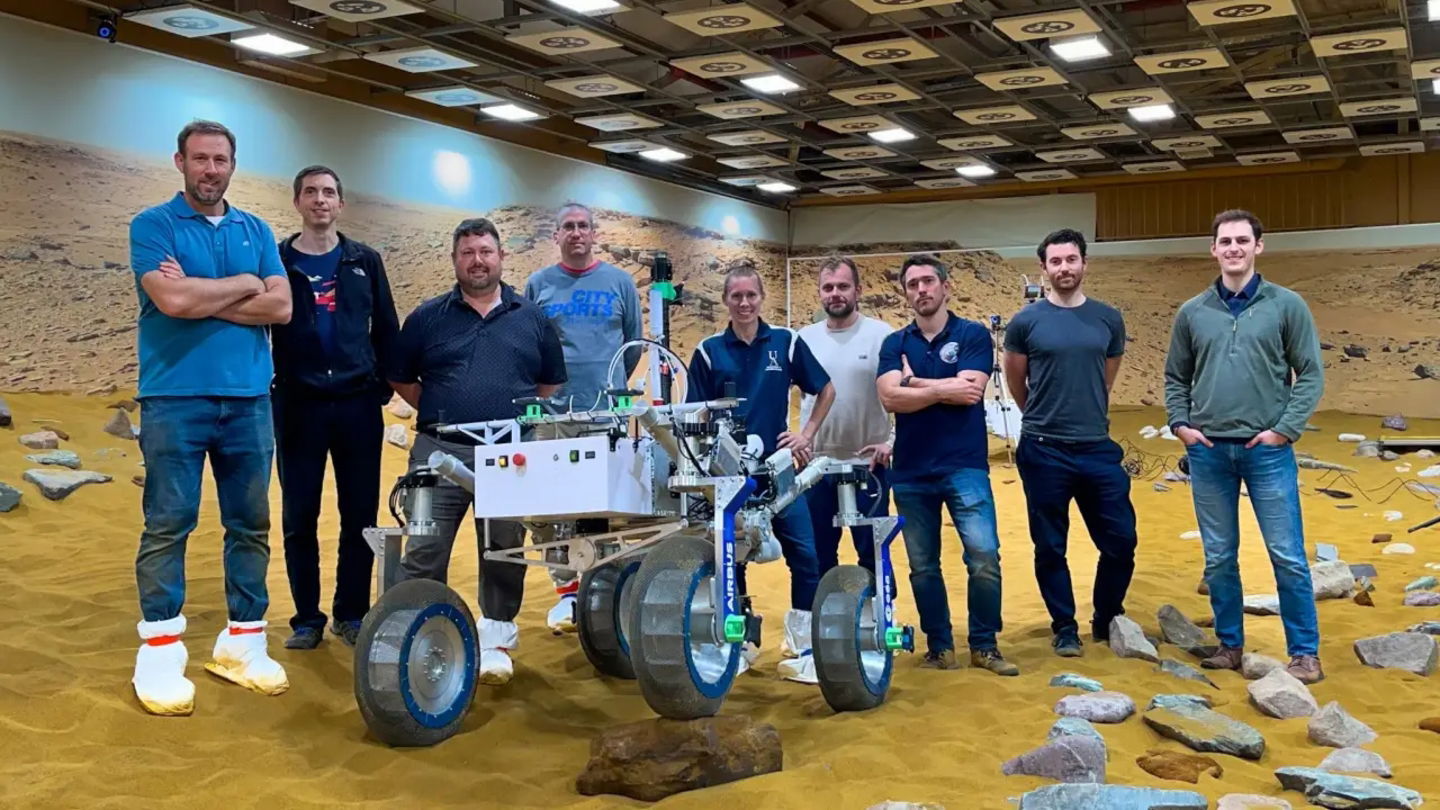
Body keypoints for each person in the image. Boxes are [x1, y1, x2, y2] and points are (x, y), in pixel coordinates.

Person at [127, 119, 294, 715]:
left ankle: (244, 642)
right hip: (174, 398)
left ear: (232, 164)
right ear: (180, 162)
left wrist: (208, 292)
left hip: (249, 399)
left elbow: (282, 305)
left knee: (250, 523)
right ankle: (161, 650)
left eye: (220, 159)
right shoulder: (153, 225)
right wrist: (244, 285)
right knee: (169, 522)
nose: (210, 169)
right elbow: (170, 301)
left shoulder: (257, 228)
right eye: (199, 159)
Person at [388, 217, 567, 686]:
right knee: (423, 547)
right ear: (454, 260)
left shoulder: (531, 317)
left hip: (510, 459)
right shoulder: (427, 317)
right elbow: (401, 377)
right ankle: (421, 633)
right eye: (467, 253)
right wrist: (443, 411)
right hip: (436, 456)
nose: (477, 261)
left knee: (503, 548)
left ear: (501, 257)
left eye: (486, 251)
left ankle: (496, 640)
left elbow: (548, 383)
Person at [1164, 209, 1325, 683]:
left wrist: (1284, 429)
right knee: (1218, 556)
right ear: (1213, 249)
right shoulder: (1192, 312)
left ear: (1259, 246)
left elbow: (1310, 373)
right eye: (1224, 241)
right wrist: (1180, 424)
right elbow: (1176, 376)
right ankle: (1230, 644)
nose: (1233, 248)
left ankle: (1304, 652)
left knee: (1287, 554)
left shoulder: (1286, 305)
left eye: (1241, 240)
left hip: (1267, 452)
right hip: (1209, 451)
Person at [270, 165, 399, 650]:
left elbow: (385, 326)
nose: (320, 200)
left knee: (359, 515)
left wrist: (380, 388)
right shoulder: (276, 260)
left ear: (340, 203)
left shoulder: (364, 260)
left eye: (328, 193)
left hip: (356, 407)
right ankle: (306, 618)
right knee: (298, 515)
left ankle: (350, 612)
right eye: (311, 192)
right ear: (298, 201)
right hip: (298, 406)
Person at [686, 263, 835, 683]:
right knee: (730, 561)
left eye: (752, 295)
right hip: (729, 477)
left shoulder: (786, 343)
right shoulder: (708, 351)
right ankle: (742, 644)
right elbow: (695, 411)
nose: (745, 303)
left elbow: (825, 388)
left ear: (762, 297)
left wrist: (805, 434)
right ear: (726, 301)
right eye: (737, 296)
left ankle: (801, 646)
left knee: (805, 555)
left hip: (781, 473)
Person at [876, 254, 1018, 676]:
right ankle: (939, 645)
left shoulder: (972, 334)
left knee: (984, 555)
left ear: (945, 287)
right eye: (913, 284)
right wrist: (945, 387)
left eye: (928, 282)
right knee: (923, 564)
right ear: (906, 293)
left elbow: (972, 392)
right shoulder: (894, 343)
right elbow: (888, 398)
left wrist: (914, 382)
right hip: (912, 470)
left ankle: (984, 645)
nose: (921, 290)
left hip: (964, 466)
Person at [1003, 229, 1136, 658]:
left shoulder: (1108, 319)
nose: (1064, 267)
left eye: (1071, 259)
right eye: (1055, 261)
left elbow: (1106, 375)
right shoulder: (1027, 322)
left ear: (1084, 263)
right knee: (1050, 545)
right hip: (1044, 449)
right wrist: (1042, 416)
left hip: (1097, 446)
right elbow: (1015, 380)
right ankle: (1064, 626)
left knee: (1121, 540)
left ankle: (1106, 615)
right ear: (1043, 268)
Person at [523, 202, 642, 634]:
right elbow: (527, 343)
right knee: (547, 507)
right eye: (568, 227)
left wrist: (607, 390)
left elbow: (633, 344)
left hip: (603, 416)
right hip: (552, 417)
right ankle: (565, 592)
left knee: (603, 507)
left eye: (583, 226)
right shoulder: (538, 285)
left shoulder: (619, 283)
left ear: (595, 234)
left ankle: (599, 588)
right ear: (556, 235)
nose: (576, 233)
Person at [797, 255, 895, 582]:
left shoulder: (882, 335)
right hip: (816, 469)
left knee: (874, 553)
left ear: (858, 290)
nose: (835, 293)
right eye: (828, 287)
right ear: (819, 292)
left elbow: (902, 393)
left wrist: (891, 442)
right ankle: (824, 625)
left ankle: (881, 624)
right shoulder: (803, 339)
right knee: (819, 555)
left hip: (869, 466)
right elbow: (790, 398)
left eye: (843, 286)